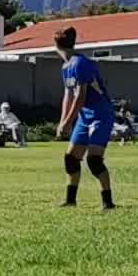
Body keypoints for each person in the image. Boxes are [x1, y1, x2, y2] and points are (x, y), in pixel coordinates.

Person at [53, 27, 115, 208]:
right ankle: (70, 200)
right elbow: (68, 95)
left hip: (100, 114)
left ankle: (108, 203)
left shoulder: (81, 64)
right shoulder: (66, 67)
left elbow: (80, 97)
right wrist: (63, 122)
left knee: (94, 160)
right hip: (84, 116)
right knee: (71, 158)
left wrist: (68, 122)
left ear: (56, 46)